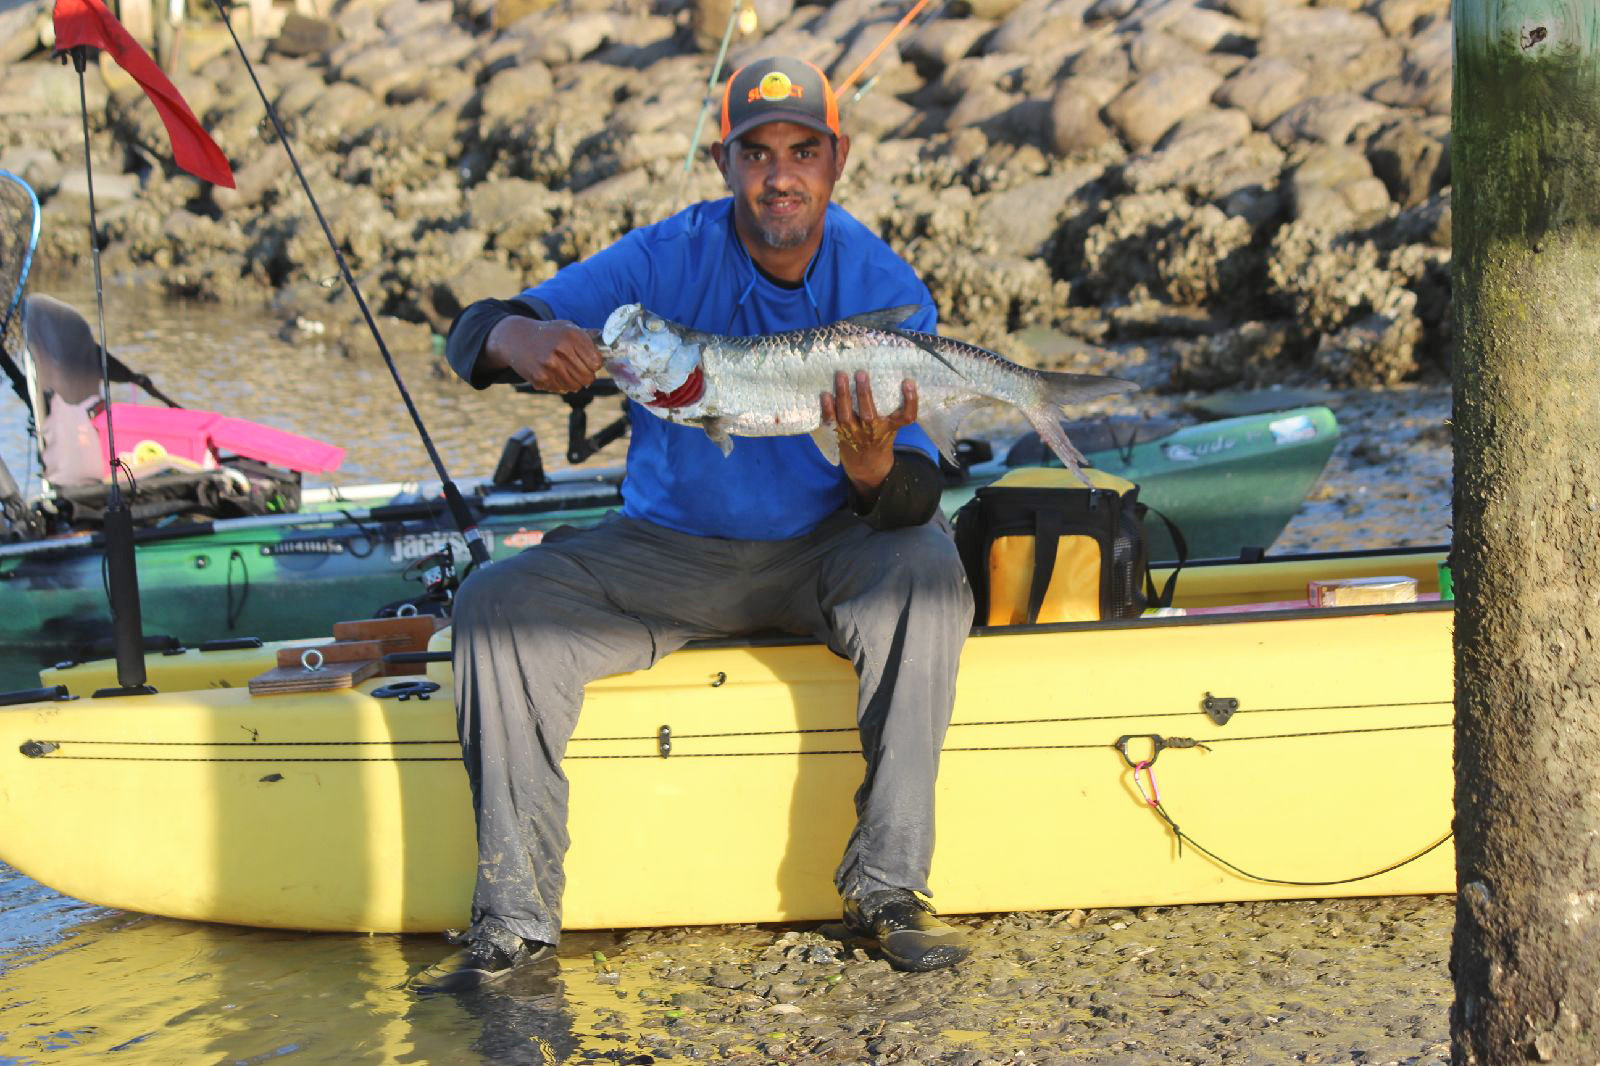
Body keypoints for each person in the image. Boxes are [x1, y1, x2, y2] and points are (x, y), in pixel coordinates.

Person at [414, 55, 974, 995]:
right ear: (724, 162)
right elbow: (474, 330)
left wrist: (874, 466)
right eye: (756, 153)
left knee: (925, 566)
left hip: (825, 551)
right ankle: (513, 928)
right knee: (496, 603)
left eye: (801, 151)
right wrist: (523, 339)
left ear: (837, 159)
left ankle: (889, 891)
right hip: (661, 555)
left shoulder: (882, 285)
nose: (779, 175)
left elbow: (916, 494)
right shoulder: (662, 258)